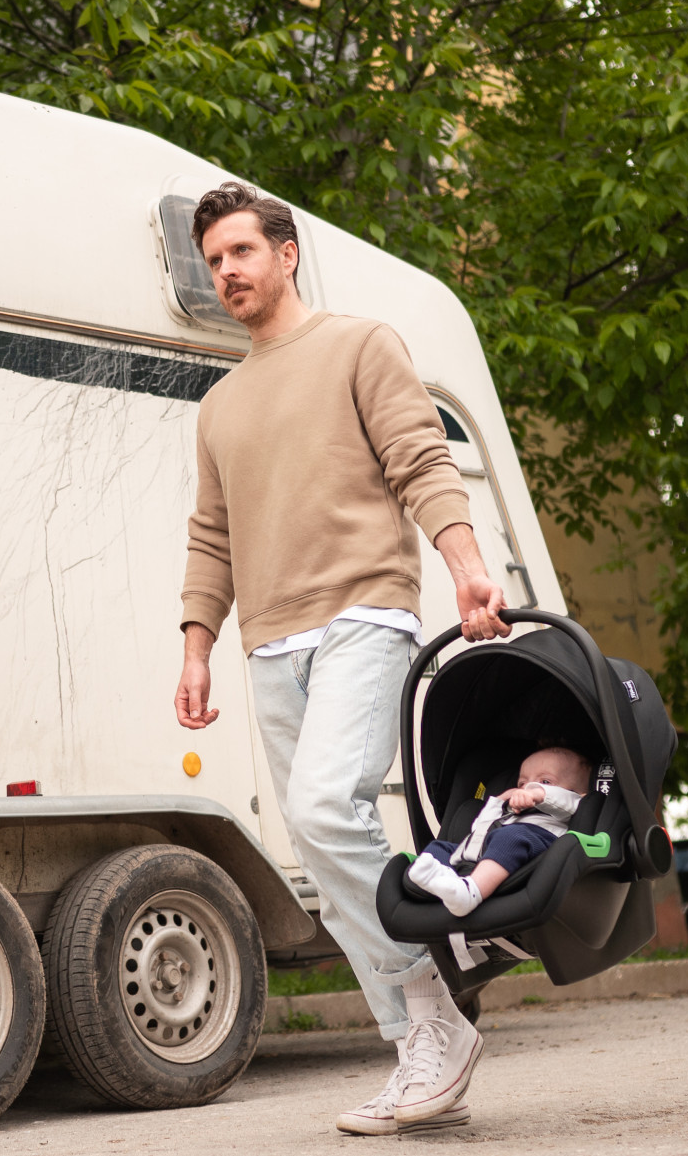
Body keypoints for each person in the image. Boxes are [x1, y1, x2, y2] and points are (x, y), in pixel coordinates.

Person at [171, 181, 512, 1137]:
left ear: (286, 253)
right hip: (268, 644)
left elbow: (421, 460)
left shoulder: (361, 345)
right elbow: (211, 536)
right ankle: (421, 1047)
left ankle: (439, 989)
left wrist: (468, 570)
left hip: (364, 614)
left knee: (327, 807)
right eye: (213, 260)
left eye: (242, 251)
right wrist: (197, 647)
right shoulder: (219, 405)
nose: (227, 271)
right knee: (321, 849)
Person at [408, 746, 592, 916]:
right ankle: (443, 878)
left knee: (510, 837)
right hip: (484, 848)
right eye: (522, 783)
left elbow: (566, 800)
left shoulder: (574, 803)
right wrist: (499, 802)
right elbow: (480, 827)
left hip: (533, 846)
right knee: (440, 847)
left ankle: (471, 893)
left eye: (545, 781)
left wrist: (538, 794)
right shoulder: (513, 809)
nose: (529, 786)